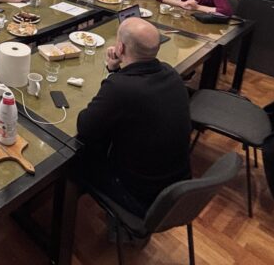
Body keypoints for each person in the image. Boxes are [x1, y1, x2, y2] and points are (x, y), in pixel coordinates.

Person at [76, 18, 191, 220]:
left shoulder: (120, 88)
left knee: (76, 158)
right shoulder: (171, 73)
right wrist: (115, 71)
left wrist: (113, 77)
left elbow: (85, 127)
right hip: (177, 188)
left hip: (139, 197)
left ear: (120, 48)